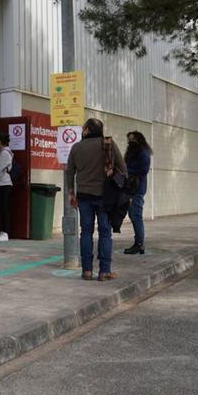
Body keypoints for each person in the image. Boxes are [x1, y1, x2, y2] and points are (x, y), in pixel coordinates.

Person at [65, 118, 125, 282]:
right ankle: (104, 271)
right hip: (105, 197)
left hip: (83, 197)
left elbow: (69, 171)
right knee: (105, 233)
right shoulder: (108, 144)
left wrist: (71, 192)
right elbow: (122, 167)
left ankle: (87, 271)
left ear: (86, 130)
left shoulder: (76, 147)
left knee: (86, 232)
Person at [123, 131, 152, 254]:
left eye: (132, 140)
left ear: (139, 140)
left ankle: (139, 244)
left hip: (137, 188)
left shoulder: (143, 153)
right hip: (131, 187)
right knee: (133, 215)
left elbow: (143, 170)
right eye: (129, 140)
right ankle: (138, 243)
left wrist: (126, 170)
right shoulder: (133, 152)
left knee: (136, 215)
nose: (130, 142)